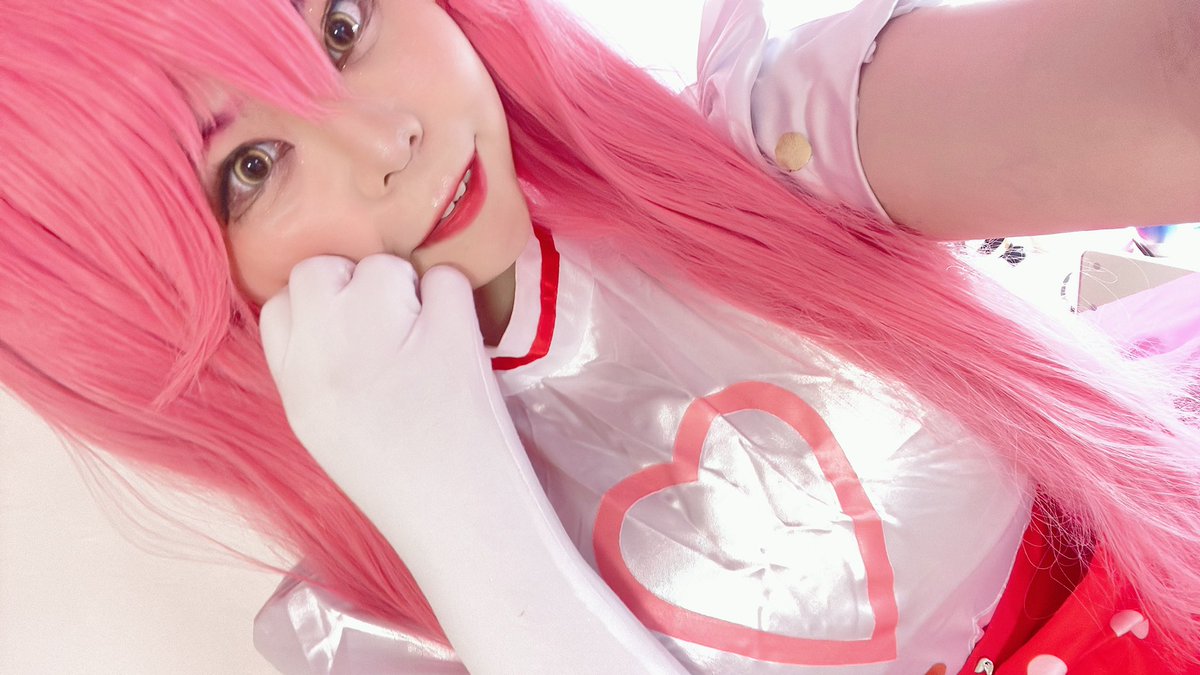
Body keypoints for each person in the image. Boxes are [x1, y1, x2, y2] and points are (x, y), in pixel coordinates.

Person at [1, 0, 1197, 672]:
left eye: (346, 24)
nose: (385, 139)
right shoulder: (368, 620)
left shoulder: (752, 147)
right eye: (251, 166)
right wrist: (453, 507)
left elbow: (1162, 87)